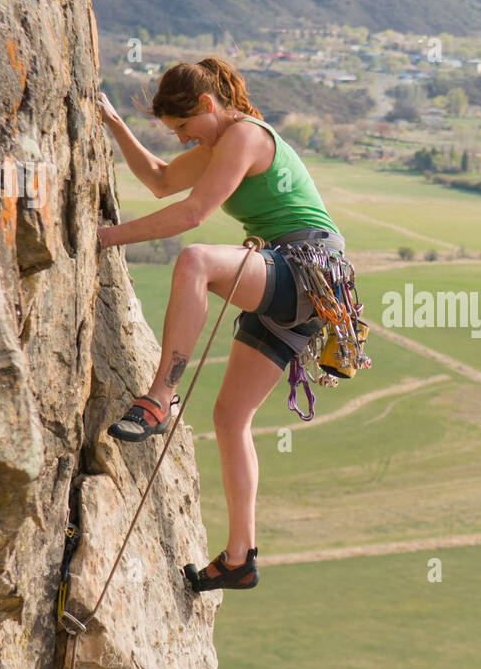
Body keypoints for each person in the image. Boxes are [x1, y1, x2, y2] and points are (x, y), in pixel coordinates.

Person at [95, 57, 346, 590]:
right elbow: (162, 181)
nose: (184, 141)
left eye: (185, 128)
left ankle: (159, 398)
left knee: (196, 260)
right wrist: (116, 127)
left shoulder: (245, 137)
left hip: (304, 268)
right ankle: (239, 558)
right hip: (302, 286)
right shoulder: (215, 145)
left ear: (208, 106)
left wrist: (105, 238)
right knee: (230, 418)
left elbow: (191, 215)